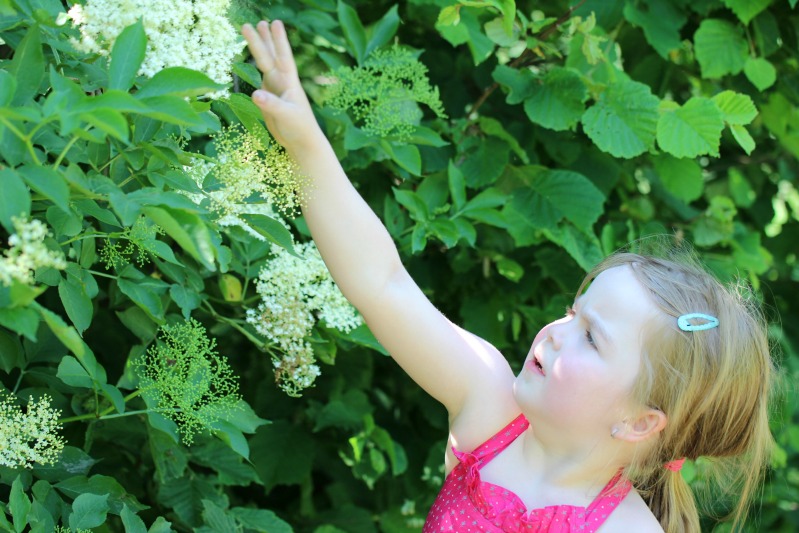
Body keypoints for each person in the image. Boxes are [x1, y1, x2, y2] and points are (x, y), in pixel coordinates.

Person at [241, 20, 775, 533]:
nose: (557, 331)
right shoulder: (490, 407)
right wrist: (304, 143)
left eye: (591, 337)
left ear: (639, 422)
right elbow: (383, 284)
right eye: (573, 312)